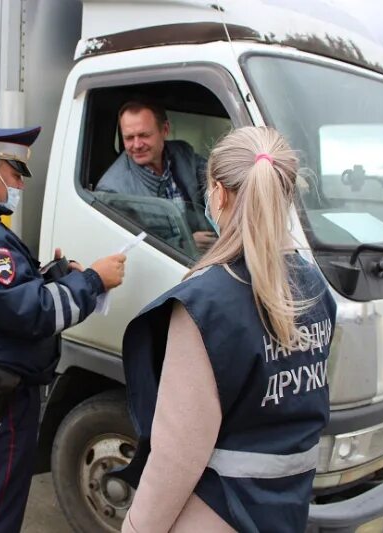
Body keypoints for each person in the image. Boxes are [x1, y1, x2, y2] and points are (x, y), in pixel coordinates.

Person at [117, 127, 337, 532]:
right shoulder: (315, 288)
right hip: (286, 510)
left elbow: (176, 455)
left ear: (217, 194)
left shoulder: (205, 304)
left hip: (217, 514)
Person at [0, 126, 126, 533]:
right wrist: (93, 281)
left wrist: (47, 276)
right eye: (15, 174)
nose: (18, 185)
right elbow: (31, 313)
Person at [96, 100, 218, 252]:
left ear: (165, 130)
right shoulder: (112, 190)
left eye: (144, 135)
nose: (137, 145)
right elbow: (134, 248)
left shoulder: (183, 153)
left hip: (210, 253)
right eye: (128, 138)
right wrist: (186, 244)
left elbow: (218, 179)